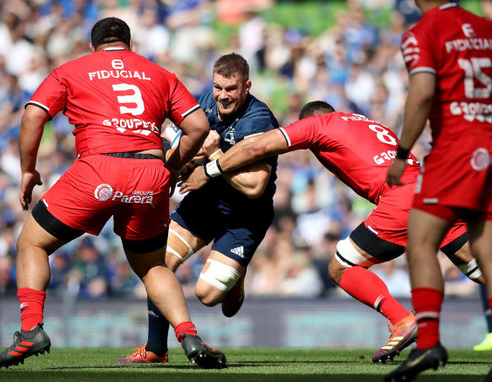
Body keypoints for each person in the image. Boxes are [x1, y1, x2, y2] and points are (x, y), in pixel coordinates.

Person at [0, 17, 226, 370]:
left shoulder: (71, 70)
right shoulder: (158, 73)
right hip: (150, 172)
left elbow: (32, 115)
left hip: (98, 169)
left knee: (32, 243)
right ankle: (189, 335)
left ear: (93, 45)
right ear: (129, 45)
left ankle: (30, 330)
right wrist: (171, 166)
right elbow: (198, 127)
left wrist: (28, 170)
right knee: (152, 266)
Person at [180, 100, 484, 364]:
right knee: (480, 270)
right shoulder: (365, 122)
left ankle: (401, 320)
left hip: (402, 201)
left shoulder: (319, 124)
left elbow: (259, 145)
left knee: (342, 266)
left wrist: (210, 169)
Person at [114, 53, 279, 364]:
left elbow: (255, 186)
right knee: (157, 264)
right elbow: (170, 135)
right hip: (203, 204)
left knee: (208, 296)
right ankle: (155, 350)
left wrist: (215, 155)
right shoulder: (202, 103)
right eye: (218, 87)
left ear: (247, 86)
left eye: (231, 89)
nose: (223, 96)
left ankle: (236, 280)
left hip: (245, 216)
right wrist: (183, 157)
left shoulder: (259, 120)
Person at [384, 1, 492, 381]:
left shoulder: (423, 32)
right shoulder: (485, 27)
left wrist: (401, 153)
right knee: (488, 250)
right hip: (490, 144)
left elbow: (423, 91)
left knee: (420, 241)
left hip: (456, 149)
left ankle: (429, 341)